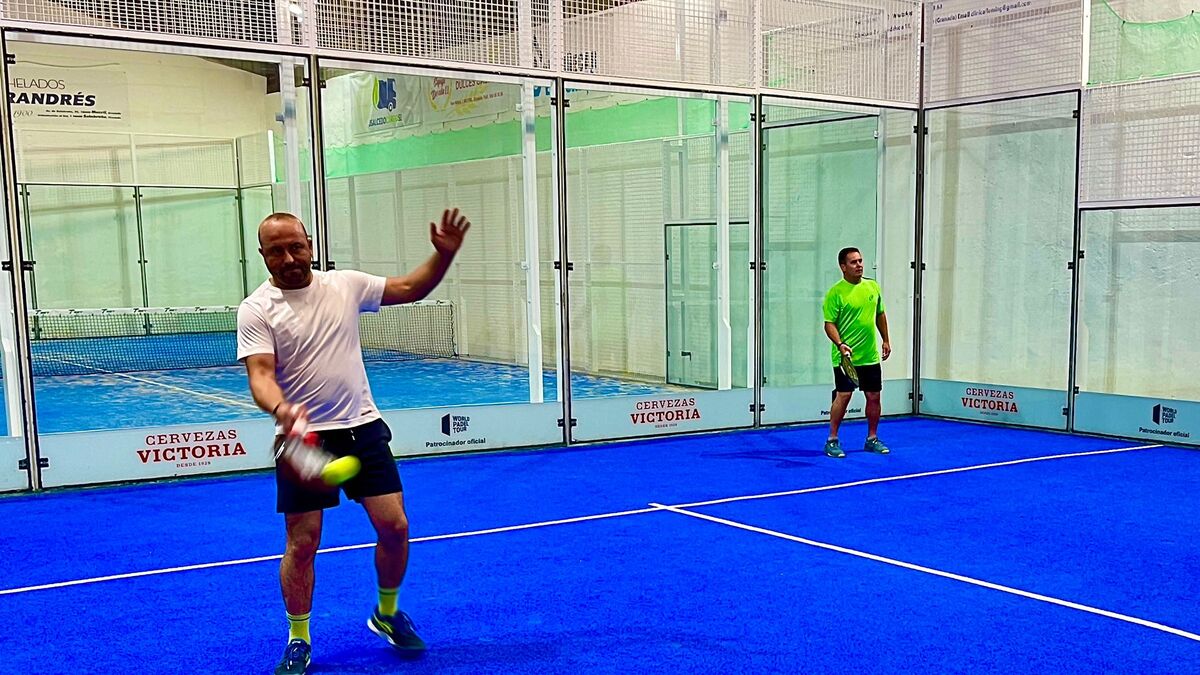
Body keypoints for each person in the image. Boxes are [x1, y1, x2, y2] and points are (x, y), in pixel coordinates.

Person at [237, 209, 471, 675]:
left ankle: (386, 613)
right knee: (303, 543)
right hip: (302, 439)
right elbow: (260, 375)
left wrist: (442, 257)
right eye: (277, 250)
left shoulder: (344, 286)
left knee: (396, 527)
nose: (288, 257)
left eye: (295, 246)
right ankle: (299, 639)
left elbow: (410, 288)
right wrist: (282, 409)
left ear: (310, 244)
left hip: (362, 427)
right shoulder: (257, 308)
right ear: (263, 255)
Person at [822, 247, 891, 458]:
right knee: (844, 396)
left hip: (869, 356)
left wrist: (886, 340)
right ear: (843, 267)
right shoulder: (836, 293)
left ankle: (872, 438)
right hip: (846, 358)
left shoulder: (872, 287)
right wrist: (840, 344)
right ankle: (832, 440)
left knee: (874, 396)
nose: (859, 265)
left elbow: (880, 314)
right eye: (853, 262)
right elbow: (829, 324)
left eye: (860, 261)